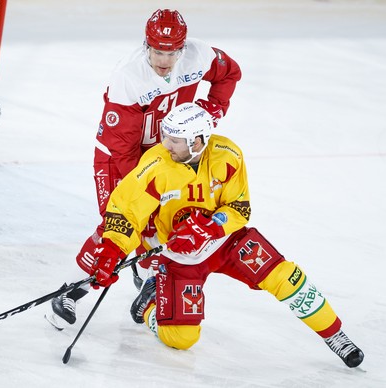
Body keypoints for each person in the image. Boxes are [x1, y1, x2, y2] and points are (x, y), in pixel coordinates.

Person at [85, 102, 364, 368]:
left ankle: (335, 335)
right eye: (165, 136)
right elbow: (126, 211)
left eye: (174, 140)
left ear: (197, 141)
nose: (165, 144)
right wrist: (112, 250)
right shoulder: (155, 164)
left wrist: (212, 226)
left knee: (285, 276)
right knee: (182, 339)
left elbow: (239, 207)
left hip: (226, 242)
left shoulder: (228, 155)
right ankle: (149, 306)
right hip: (181, 257)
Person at [46, 8, 242, 329]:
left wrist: (211, 110)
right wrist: (147, 191)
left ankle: (148, 277)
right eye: (157, 51)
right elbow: (123, 149)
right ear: (146, 45)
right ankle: (69, 291)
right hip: (117, 156)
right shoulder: (128, 77)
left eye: (172, 52)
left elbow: (229, 73)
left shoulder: (199, 56)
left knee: (163, 222)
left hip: (166, 154)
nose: (164, 60)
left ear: (183, 47)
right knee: (119, 224)